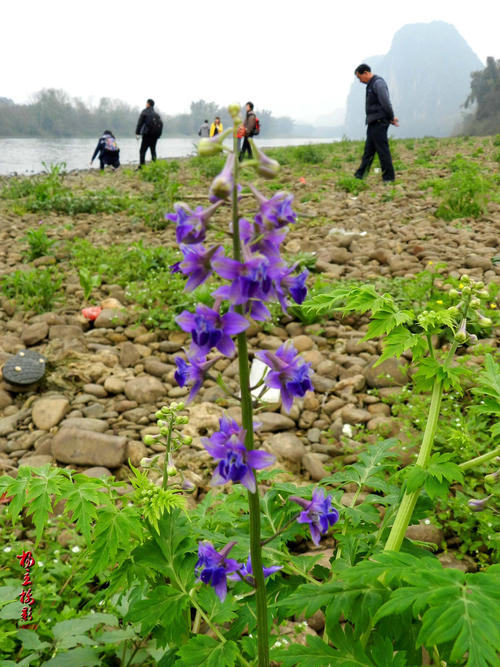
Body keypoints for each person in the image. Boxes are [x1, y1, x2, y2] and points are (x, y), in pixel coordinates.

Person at [353, 64, 399, 183]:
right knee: (368, 151)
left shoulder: (378, 83)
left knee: (383, 150)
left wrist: (391, 117)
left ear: (366, 73)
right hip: (373, 122)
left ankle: (389, 178)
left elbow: (385, 102)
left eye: (360, 77)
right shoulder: (370, 85)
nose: (360, 80)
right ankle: (360, 175)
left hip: (379, 122)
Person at [135, 99, 163, 168]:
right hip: (155, 136)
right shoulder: (156, 114)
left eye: (146, 103)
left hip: (147, 135)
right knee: (153, 150)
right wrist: (158, 136)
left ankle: (142, 166)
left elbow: (140, 123)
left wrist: (137, 133)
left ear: (148, 104)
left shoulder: (145, 112)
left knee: (142, 151)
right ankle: (155, 166)